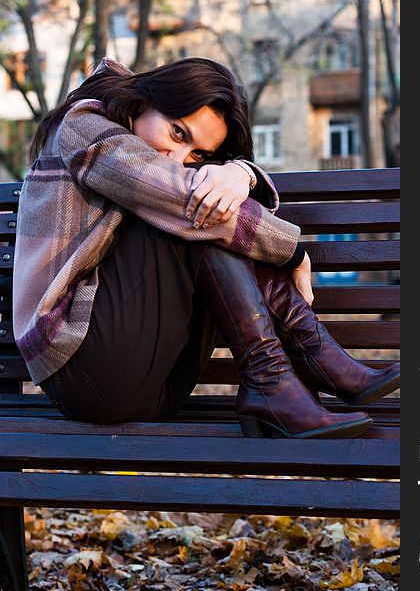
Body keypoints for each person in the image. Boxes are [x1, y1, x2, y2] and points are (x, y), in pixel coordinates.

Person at [12, 57, 399, 439]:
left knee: (205, 203)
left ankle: (284, 373)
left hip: (160, 378)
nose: (179, 157)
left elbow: (206, 197)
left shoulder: (163, 156)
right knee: (197, 210)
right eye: (178, 133)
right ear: (144, 100)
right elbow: (180, 197)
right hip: (82, 372)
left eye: (197, 153)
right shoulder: (82, 127)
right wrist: (293, 250)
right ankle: (301, 364)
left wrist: (237, 172)